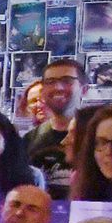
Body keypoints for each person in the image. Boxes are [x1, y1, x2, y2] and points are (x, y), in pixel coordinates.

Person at [24, 57, 84, 195]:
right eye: (50, 82)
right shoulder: (29, 139)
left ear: (84, 89)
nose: (58, 87)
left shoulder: (97, 134)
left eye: (67, 81)